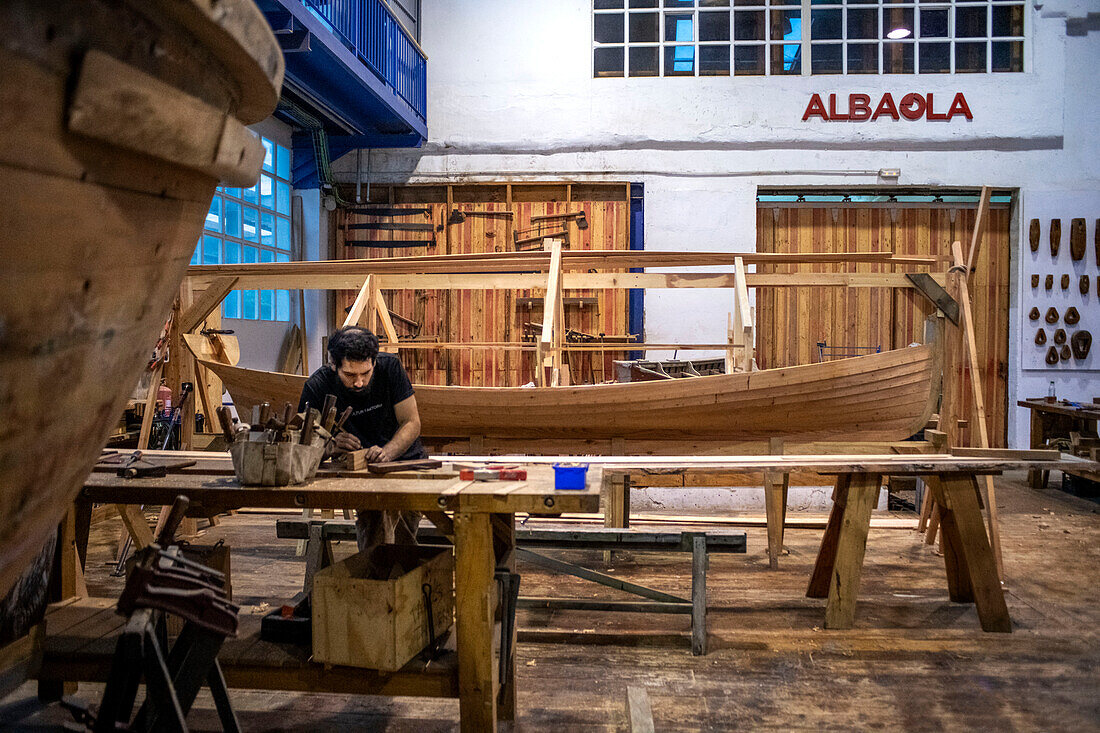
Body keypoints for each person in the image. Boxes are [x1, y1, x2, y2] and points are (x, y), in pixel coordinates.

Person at [298, 326, 426, 552]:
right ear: (333, 364)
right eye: (350, 375)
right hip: (359, 470)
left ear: (374, 362)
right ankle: (380, 578)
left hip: (403, 461)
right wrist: (330, 446)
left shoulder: (390, 369)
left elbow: (411, 422)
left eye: (366, 373)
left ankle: (395, 577)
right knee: (374, 518)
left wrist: (387, 453)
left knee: (404, 529)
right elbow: (302, 446)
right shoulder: (317, 386)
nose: (359, 382)